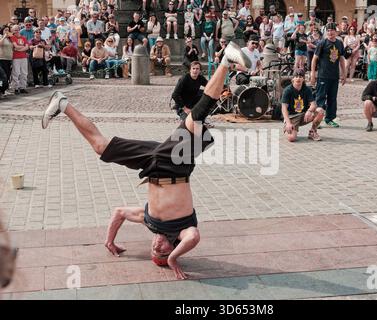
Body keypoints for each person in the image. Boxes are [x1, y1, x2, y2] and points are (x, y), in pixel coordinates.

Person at [41, 42, 251, 280]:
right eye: (163, 251)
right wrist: (173, 260)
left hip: (153, 163)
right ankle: (225, 60)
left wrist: (109, 240)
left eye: (154, 250)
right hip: (176, 163)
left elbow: (119, 212)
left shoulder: (149, 221)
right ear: (172, 247)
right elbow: (194, 238)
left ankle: (63, 103)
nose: (157, 247)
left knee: (101, 147)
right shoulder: (182, 232)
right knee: (200, 113)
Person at [310, 22, 346, 128]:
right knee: (320, 98)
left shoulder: (339, 43)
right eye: (328, 30)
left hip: (334, 76)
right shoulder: (322, 43)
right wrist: (313, 74)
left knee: (332, 98)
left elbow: (341, 60)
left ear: (336, 31)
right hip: (323, 75)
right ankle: (317, 119)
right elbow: (314, 59)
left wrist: (344, 74)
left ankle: (329, 119)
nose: (330, 32)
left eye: (332, 30)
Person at [281, 69, 324, 142]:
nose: (298, 78)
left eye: (300, 76)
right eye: (296, 76)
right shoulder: (287, 90)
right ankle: (289, 127)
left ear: (303, 79)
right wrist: (288, 123)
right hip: (292, 117)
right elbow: (284, 108)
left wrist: (309, 111)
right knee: (291, 138)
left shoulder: (307, 89)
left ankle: (312, 132)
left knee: (320, 111)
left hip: (304, 116)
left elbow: (313, 104)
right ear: (293, 78)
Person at [10, 24, 29, 95]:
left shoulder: (23, 38)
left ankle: (22, 87)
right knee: (16, 73)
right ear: (13, 31)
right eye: (15, 30)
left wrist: (19, 49)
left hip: (23, 57)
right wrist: (22, 47)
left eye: (18, 29)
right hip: (16, 58)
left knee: (24, 73)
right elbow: (15, 46)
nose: (17, 31)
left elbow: (27, 47)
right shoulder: (13, 37)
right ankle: (15, 88)